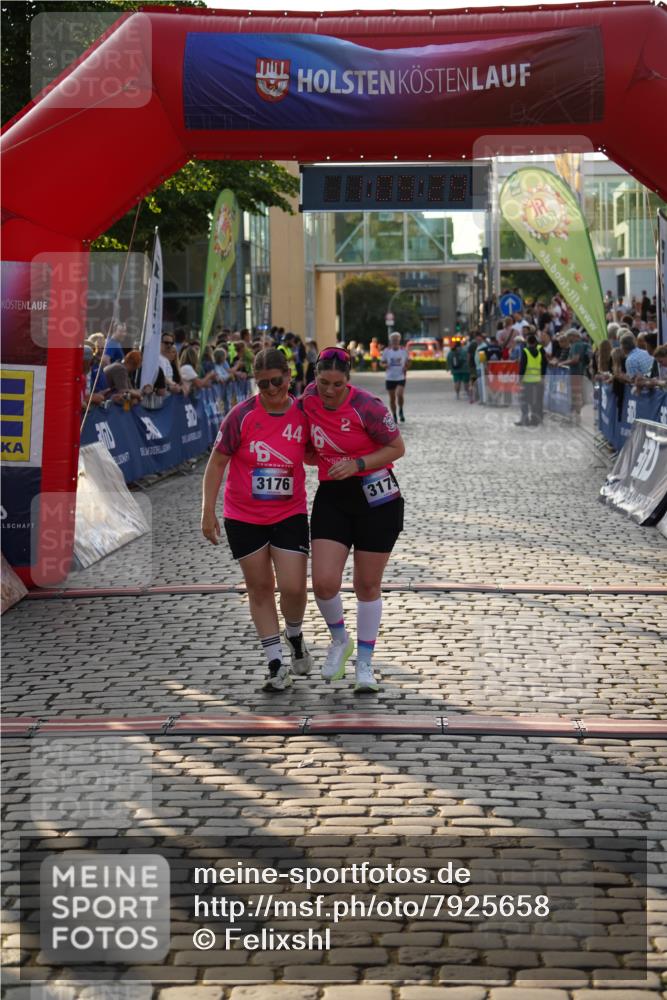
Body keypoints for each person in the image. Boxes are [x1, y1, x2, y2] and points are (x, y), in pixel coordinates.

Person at [201, 347, 312, 692]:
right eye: (262, 384)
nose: (271, 390)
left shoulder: (304, 414)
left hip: (289, 511)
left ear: (289, 377)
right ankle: (276, 663)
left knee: (293, 587)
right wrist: (207, 510)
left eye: (277, 381)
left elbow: (322, 448)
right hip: (243, 515)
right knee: (260, 587)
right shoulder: (241, 416)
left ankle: (294, 634)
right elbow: (217, 462)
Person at [300, 347, 405, 693]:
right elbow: (309, 447)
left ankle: (364, 662)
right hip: (334, 496)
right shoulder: (308, 400)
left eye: (337, 384)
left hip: (377, 497)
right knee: (324, 582)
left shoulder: (367, 406)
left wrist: (358, 464)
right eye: (323, 381)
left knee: (366, 585)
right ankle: (340, 640)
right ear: (314, 376)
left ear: (349, 381)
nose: (329, 391)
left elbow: (396, 448)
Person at [515, 332, 547, 426]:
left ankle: (525, 419)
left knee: (524, 401)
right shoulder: (540, 350)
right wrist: (542, 376)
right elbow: (544, 364)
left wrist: (519, 380)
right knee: (536, 401)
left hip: (527, 381)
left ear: (528, 342)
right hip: (537, 380)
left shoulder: (525, 351)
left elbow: (522, 367)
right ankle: (535, 420)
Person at [380, 331, 410, 423]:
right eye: (393, 339)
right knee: (392, 398)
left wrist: (406, 366)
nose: (395, 341)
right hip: (390, 377)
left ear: (399, 340)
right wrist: (384, 365)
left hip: (400, 377)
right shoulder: (386, 351)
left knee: (399, 394)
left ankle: (400, 409)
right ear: (391, 340)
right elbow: (381, 362)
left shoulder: (404, 350)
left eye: (396, 339)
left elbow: (409, 361)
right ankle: (394, 415)